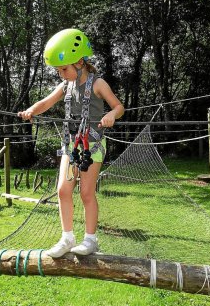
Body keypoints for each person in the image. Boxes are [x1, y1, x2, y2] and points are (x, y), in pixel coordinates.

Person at [18, 29, 124, 258]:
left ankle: (90, 240)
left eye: (63, 69)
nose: (60, 74)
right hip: (71, 145)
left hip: (93, 145)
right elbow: (46, 102)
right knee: (63, 190)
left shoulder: (98, 83)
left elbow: (118, 106)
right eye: (57, 70)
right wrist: (31, 111)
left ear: (79, 62)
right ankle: (67, 238)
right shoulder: (66, 86)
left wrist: (111, 116)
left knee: (86, 193)